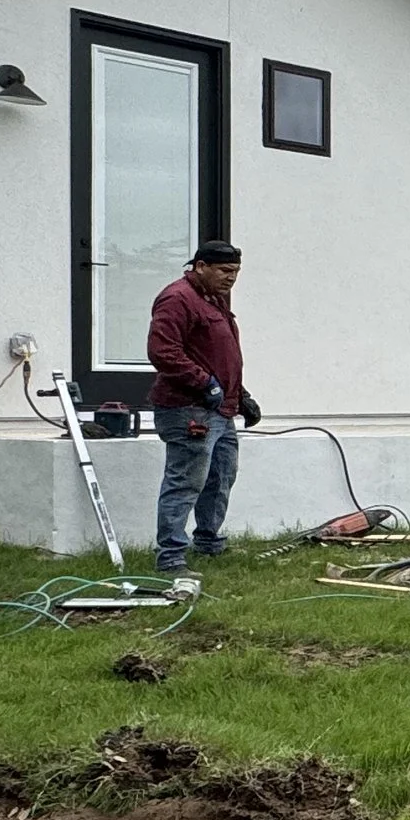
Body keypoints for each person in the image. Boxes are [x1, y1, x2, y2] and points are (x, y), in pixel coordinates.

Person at [147, 240, 259, 572]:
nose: (231, 278)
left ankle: (208, 543)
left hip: (220, 411)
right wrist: (204, 383)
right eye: (225, 270)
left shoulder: (214, 300)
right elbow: (162, 351)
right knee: (185, 482)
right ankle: (170, 557)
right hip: (188, 409)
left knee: (221, 476)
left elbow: (218, 357)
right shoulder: (177, 299)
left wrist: (241, 396)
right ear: (200, 267)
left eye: (236, 271)